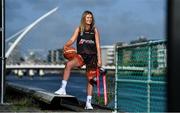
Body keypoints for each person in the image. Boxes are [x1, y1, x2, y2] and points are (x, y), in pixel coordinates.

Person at [54, 10, 102, 110]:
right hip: (81, 56)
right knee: (68, 65)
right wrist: (66, 45)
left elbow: (98, 46)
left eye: (91, 18)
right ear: (84, 18)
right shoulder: (79, 29)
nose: (89, 19)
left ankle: (88, 103)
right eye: (87, 17)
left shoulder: (94, 30)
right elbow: (72, 39)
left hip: (92, 57)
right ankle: (63, 89)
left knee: (90, 80)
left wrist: (100, 59)